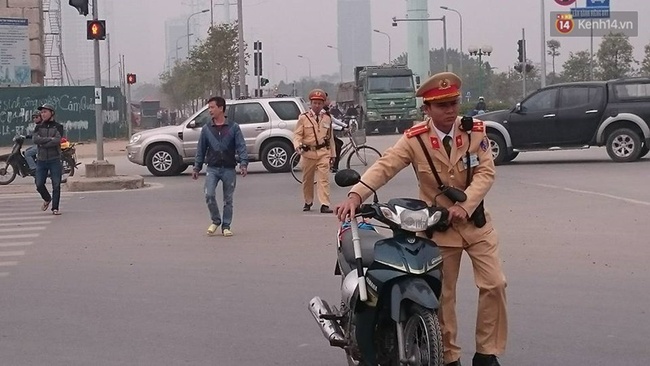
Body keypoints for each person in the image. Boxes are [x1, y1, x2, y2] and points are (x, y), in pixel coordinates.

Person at [335, 72, 507, 366]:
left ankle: (487, 353)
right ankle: (449, 356)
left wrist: (466, 205)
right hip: (439, 227)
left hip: (475, 224)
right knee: (443, 297)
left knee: (495, 284)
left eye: (452, 103)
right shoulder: (415, 140)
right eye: (441, 105)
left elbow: (485, 173)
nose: (450, 110)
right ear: (426, 109)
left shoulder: (474, 132)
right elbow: (386, 165)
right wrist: (356, 195)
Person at [192, 96, 248, 237]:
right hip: (212, 168)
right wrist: (196, 167)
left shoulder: (233, 128)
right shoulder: (206, 129)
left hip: (229, 168)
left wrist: (243, 163)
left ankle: (226, 226)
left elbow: (241, 146)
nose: (210, 110)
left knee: (228, 199)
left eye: (212, 107)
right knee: (209, 195)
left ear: (221, 108)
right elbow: (201, 149)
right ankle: (216, 220)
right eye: (209, 107)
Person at [293, 89, 335, 213]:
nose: (317, 105)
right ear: (310, 103)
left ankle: (324, 204)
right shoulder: (303, 118)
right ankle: (308, 201)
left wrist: (333, 154)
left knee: (324, 179)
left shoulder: (327, 118)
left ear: (323, 104)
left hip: (323, 153)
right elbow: (297, 135)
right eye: (314, 103)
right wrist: (297, 146)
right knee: (308, 180)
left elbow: (330, 138)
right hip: (308, 153)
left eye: (319, 103)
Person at [33, 104, 65, 215]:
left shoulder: (58, 126)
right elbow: (35, 139)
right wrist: (48, 140)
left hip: (54, 159)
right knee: (39, 184)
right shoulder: (38, 126)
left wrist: (44, 142)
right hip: (41, 160)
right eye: (42, 112)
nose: (43, 114)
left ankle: (55, 208)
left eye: (45, 112)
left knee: (56, 184)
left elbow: (57, 140)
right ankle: (47, 198)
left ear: (52, 113)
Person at [322, 104, 348, 173]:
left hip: (329, 133)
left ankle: (334, 161)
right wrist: (342, 128)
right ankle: (334, 166)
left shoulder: (326, 111)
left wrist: (345, 125)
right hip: (324, 134)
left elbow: (334, 120)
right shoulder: (321, 112)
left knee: (340, 143)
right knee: (337, 147)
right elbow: (329, 125)